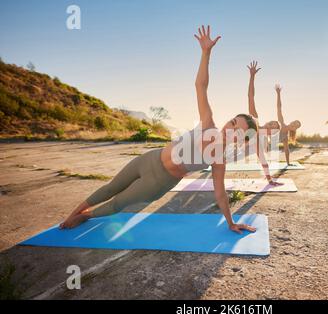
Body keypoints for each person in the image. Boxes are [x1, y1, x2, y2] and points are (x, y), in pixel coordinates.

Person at [60, 25, 257, 235]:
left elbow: (220, 194)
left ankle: (85, 216)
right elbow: (201, 86)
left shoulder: (219, 159)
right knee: (110, 188)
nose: (230, 128)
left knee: (118, 203)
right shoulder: (208, 123)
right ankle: (72, 214)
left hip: (159, 182)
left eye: (237, 131)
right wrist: (206, 53)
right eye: (233, 122)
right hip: (148, 160)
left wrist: (230, 222)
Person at [246, 61, 282, 185]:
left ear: (271, 134)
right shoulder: (255, 118)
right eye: (273, 122)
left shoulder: (257, 139)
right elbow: (251, 96)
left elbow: (263, 160)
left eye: (274, 126)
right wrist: (252, 77)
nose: (272, 123)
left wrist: (270, 180)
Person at [275, 84, 301, 165]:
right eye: (294, 123)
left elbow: (286, 150)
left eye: (295, 126)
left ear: (294, 129)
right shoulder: (281, 122)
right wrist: (278, 94)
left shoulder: (285, 138)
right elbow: (279, 107)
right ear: (291, 122)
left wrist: (288, 163)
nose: (293, 125)